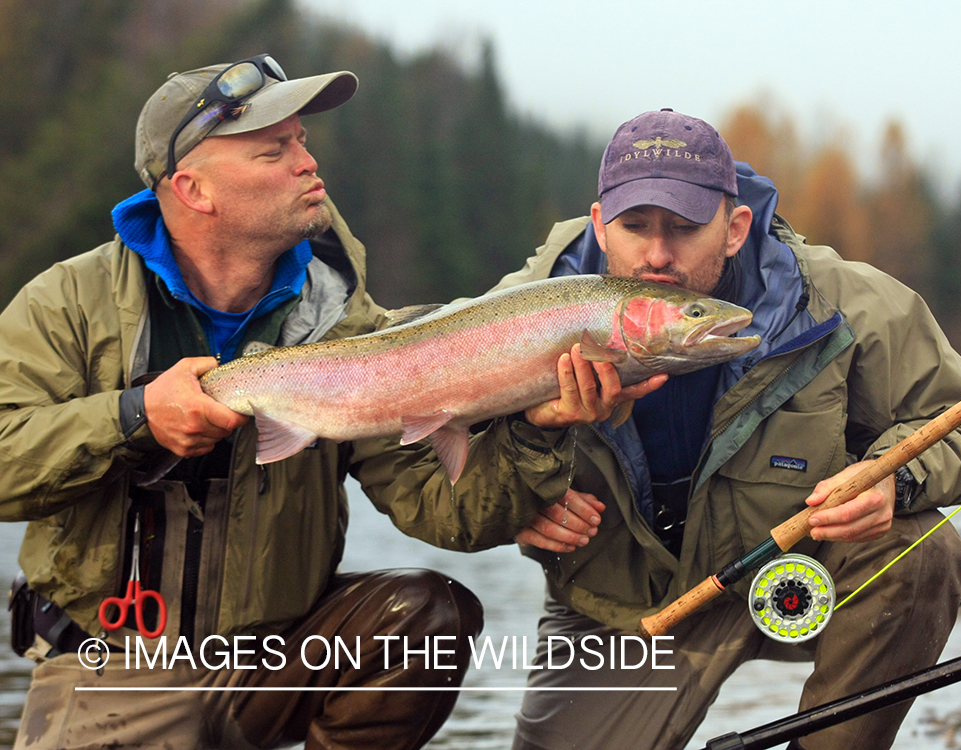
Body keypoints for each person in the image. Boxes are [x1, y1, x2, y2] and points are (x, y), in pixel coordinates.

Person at [0, 54, 578, 750]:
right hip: (114, 665)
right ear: (194, 189)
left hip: (279, 665)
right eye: (275, 150)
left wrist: (538, 433)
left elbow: (445, 511)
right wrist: (134, 419)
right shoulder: (69, 303)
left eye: (302, 140)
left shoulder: (344, 318)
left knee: (424, 617)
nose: (308, 162)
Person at [482, 109, 961, 750]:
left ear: (735, 227)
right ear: (598, 225)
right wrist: (514, 498)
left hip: (790, 573)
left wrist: (897, 479)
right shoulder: (512, 314)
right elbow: (433, 470)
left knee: (924, 554)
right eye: (635, 227)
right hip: (621, 612)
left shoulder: (845, 302)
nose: (658, 254)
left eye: (685, 227)